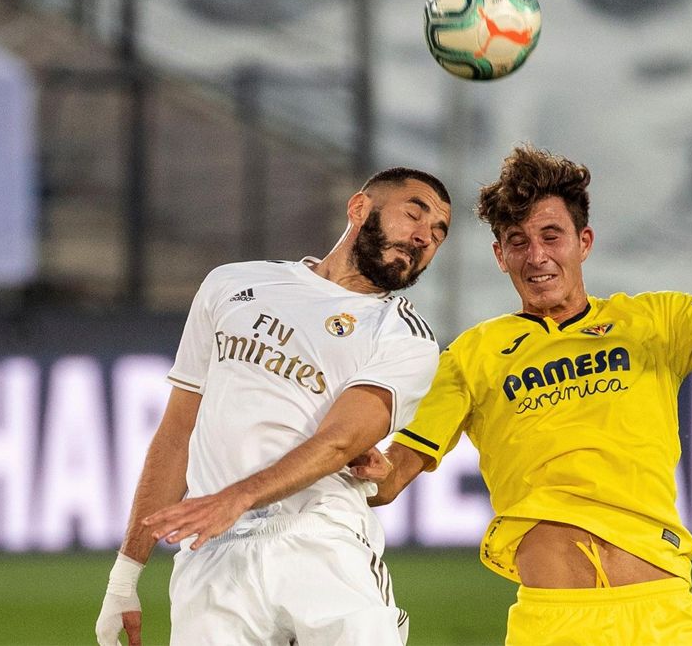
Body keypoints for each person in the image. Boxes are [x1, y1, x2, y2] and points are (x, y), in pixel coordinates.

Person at [358, 144, 692, 645]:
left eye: (551, 235)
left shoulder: (654, 321)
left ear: (584, 242)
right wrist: (365, 467)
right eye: (518, 241)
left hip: (662, 613)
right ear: (500, 255)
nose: (536, 256)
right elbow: (395, 470)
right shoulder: (472, 354)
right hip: (555, 620)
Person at [95, 167, 452, 646]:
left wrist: (235, 498)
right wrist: (125, 574)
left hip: (322, 543)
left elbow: (340, 440)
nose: (423, 237)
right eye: (415, 214)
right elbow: (179, 429)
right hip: (213, 557)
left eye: (438, 233)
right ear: (359, 208)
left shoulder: (403, 334)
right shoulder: (232, 285)